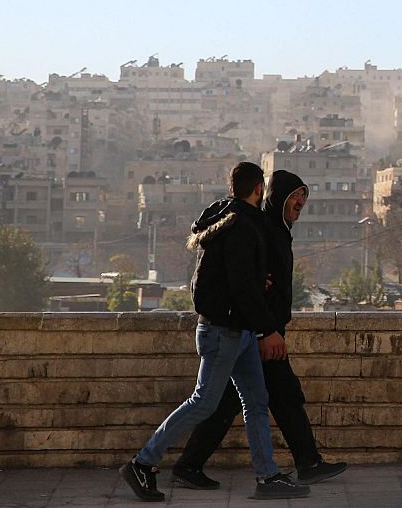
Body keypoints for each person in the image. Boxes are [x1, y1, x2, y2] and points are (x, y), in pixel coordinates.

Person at [119, 162, 309, 502]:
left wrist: (256, 293)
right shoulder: (240, 226)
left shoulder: (230, 218)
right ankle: (142, 462)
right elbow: (239, 285)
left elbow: (234, 277)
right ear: (258, 189)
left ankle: (268, 477)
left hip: (240, 330)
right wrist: (268, 330)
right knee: (203, 402)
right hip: (225, 331)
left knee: (255, 402)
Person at [171, 170, 347, 489]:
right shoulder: (263, 228)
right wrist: (266, 330)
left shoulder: (276, 229)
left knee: (238, 400)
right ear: (275, 196)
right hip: (257, 332)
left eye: (304, 195)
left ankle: (190, 464)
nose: (301, 202)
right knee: (272, 396)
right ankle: (301, 465)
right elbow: (247, 284)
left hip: (260, 330)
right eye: (295, 196)